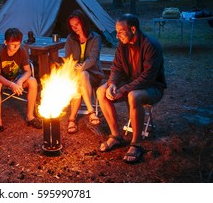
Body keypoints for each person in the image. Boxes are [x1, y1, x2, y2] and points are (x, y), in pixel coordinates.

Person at [96, 15, 166, 164]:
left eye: (120, 32)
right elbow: (116, 67)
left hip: (152, 87)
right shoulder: (122, 45)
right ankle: (116, 136)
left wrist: (124, 89)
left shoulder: (150, 45)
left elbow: (148, 77)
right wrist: (112, 84)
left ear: (133, 29)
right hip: (129, 83)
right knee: (101, 91)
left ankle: (136, 144)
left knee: (133, 95)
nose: (117, 36)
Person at [0, 28, 41, 137]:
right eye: (13, 45)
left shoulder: (22, 50)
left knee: (33, 81)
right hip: (2, 80)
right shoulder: (0, 52)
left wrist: (20, 81)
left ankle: (30, 116)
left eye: (18, 44)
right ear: (6, 42)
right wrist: (11, 84)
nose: (16, 47)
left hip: (16, 78)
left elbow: (28, 71)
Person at [63, 9, 105, 133]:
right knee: (78, 80)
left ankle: (72, 118)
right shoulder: (70, 38)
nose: (74, 28)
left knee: (83, 74)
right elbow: (67, 58)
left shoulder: (95, 37)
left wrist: (80, 68)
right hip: (76, 74)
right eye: (72, 26)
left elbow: (93, 58)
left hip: (93, 73)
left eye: (77, 24)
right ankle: (90, 112)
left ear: (83, 23)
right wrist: (72, 68)